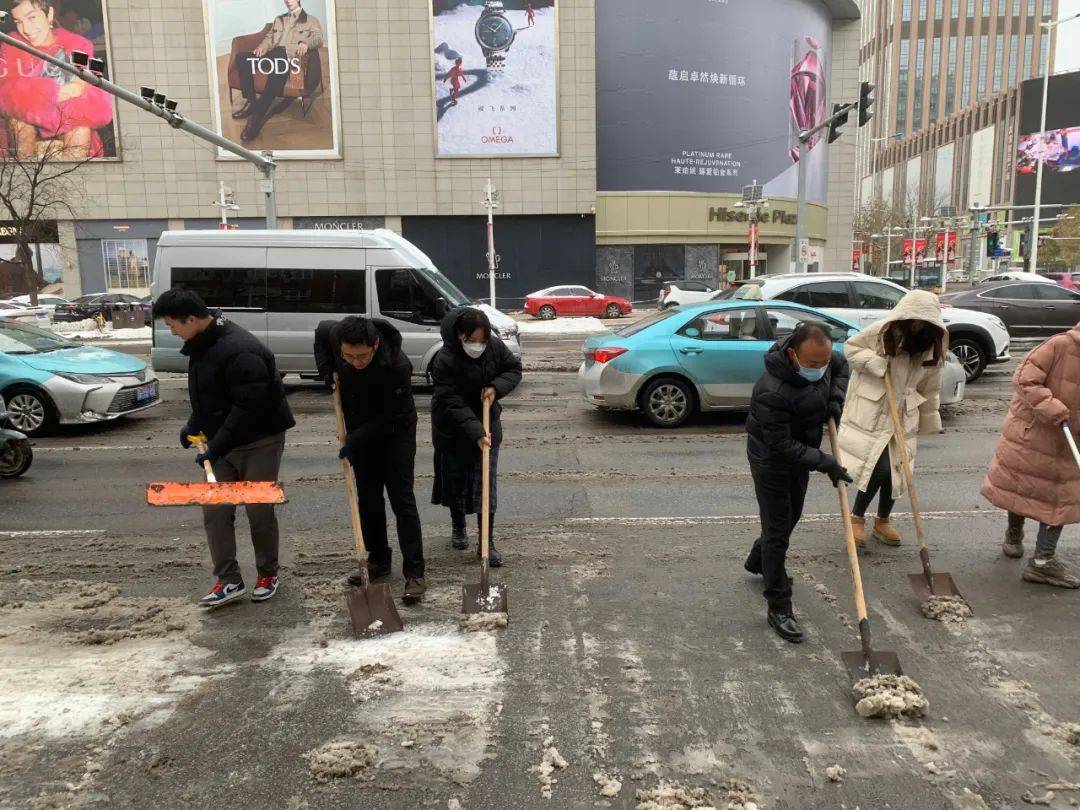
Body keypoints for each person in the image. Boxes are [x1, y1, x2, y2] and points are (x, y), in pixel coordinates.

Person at [153, 289, 295, 608]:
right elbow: (211, 395)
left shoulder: (240, 350)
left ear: (191, 319)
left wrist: (214, 448)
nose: (171, 330)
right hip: (223, 442)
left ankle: (267, 573)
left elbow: (249, 408)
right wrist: (194, 423)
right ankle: (229, 580)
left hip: (260, 441)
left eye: (172, 324)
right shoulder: (203, 343)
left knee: (258, 508)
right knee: (216, 511)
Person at [745, 321, 851, 644]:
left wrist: (835, 399)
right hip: (772, 461)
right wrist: (827, 463)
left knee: (791, 517)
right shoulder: (771, 391)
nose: (820, 368)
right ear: (793, 354)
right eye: (813, 364)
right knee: (778, 533)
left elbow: (841, 366)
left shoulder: (824, 358)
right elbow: (781, 446)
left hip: (801, 454)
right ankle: (779, 605)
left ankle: (758, 559)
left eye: (823, 362)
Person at [317, 316, 426, 603]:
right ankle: (378, 560)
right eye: (349, 356)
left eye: (362, 356)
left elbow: (393, 416)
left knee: (402, 500)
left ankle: (415, 572)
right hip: (359, 431)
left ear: (375, 345)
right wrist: (327, 370)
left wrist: (353, 440)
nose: (356, 362)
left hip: (395, 435)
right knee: (367, 499)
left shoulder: (398, 366)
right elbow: (320, 335)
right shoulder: (334, 334)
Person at [837, 290, 946, 548]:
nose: (919, 326)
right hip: (875, 407)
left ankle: (883, 521)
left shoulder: (931, 344)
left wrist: (930, 420)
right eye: (915, 320)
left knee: (899, 471)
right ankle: (856, 518)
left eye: (925, 322)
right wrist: (875, 364)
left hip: (905, 413)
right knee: (879, 467)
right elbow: (850, 348)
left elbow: (931, 386)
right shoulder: (883, 331)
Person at [981, 322, 1080, 588]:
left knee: (1060, 498)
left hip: (1071, 442)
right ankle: (1014, 535)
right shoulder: (1060, 345)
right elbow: (1025, 378)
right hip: (1036, 433)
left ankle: (1042, 562)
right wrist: (1053, 408)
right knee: (1022, 486)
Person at [431, 307, 522, 567]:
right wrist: (475, 432)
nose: (478, 346)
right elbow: (450, 400)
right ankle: (458, 526)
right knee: (455, 480)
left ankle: (486, 541)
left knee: (486, 485)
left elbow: (513, 369)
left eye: (482, 339)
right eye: (472, 340)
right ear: (460, 335)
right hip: (453, 428)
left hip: (487, 420)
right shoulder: (445, 358)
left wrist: (495, 387)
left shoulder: (493, 347)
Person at [0, 0, 114, 158]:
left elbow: (99, 103)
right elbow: (6, 96)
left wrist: (34, 99)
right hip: (21, 134)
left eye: (32, 18)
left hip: (72, 129)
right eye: (19, 21)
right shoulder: (12, 46)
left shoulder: (79, 45)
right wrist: (55, 93)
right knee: (19, 123)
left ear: (50, 15)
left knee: (79, 127)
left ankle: (78, 180)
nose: (26, 29)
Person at [231, 0, 324, 142]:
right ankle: (251, 101)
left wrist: (306, 43)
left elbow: (318, 39)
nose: (287, 1)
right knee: (241, 58)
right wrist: (263, 46)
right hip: (272, 54)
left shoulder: (311, 20)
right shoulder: (279, 19)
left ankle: (256, 118)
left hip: (288, 57)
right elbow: (269, 38)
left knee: (277, 72)